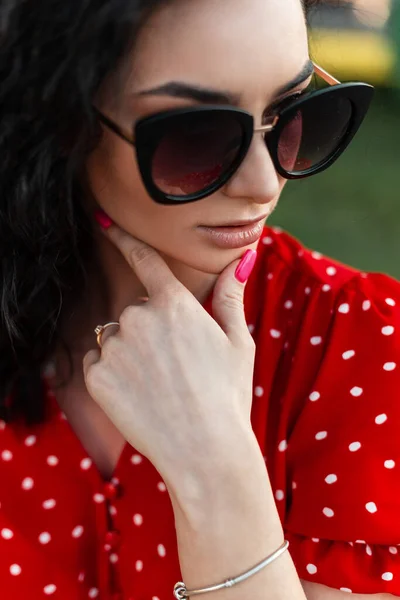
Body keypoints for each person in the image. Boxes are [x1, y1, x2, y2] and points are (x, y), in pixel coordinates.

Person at [0, 0, 398, 598]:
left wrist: (215, 467)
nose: (265, 183)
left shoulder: (364, 343)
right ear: (60, 121)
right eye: (198, 134)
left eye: (293, 112)